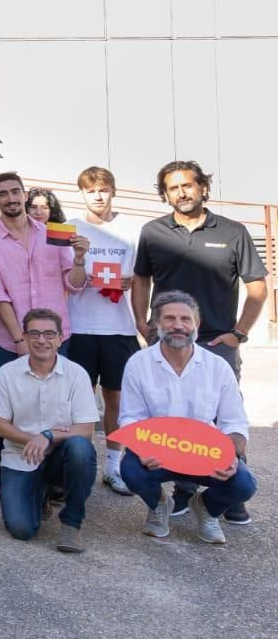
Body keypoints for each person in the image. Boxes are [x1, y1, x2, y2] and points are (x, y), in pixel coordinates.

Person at [130, 160, 267, 525]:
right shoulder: (153, 232)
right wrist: (144, 324)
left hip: (216, 342)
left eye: (188, 185)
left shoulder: (234, 231)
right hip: (167, 339)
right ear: (165, 194)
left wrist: (239, 332)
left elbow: (257, 287)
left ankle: (229, 492)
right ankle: (184, 490)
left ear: (203, 188)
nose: (181, 193)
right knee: (174, 416)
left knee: (225, 416)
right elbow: (141, 280)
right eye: (173, 188)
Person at [0, 171, 89, 490]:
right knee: (1, 409)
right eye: (3, 194)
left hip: (56, 337)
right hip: (9, 338)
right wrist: (18, 339)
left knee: (57, 407)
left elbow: (74, 284)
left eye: (15, 192)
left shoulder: (53, 233)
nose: (11, 198)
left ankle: (53, 474)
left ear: (25, 194)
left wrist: (79, 259)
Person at [119, 292, 257, 545]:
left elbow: (234, 423)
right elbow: (131, 417)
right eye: (169, 318)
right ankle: (159, 504)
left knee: (244, 484)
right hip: (158, 453)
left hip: (203, 452)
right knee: (130, 471)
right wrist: (141, 449)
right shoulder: (138, 364)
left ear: (197, 325)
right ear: (157, 324)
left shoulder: (217, 367)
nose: (178, 325)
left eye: (186, 319)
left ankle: (206, 507)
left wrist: (232, 456)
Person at [0, 308, 97, 553]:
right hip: (20, 456)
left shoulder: (76, 374)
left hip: (60, 454)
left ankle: (72, 523)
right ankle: (40, 494)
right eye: (34, 333)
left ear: (60, 338)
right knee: (21, 529)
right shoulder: (7, 373)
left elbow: (86, 428)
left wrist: (47, 437)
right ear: (24, 337)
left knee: (81, 448)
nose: (41, 340)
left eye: (49, 334)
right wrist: (33, 439)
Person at [66, 166, 143, 495]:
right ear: (81, 193)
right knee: (78, 400)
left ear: (113, 191)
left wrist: (139, 311)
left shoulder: (130, 229)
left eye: (103, 189)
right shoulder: (71, 227)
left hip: (119, 328)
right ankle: (80, 466)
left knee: (116, 397)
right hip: (80, 326)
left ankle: (113, 465)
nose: (97, 195)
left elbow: (141, 278)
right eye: (90, 190)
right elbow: (65, 275)